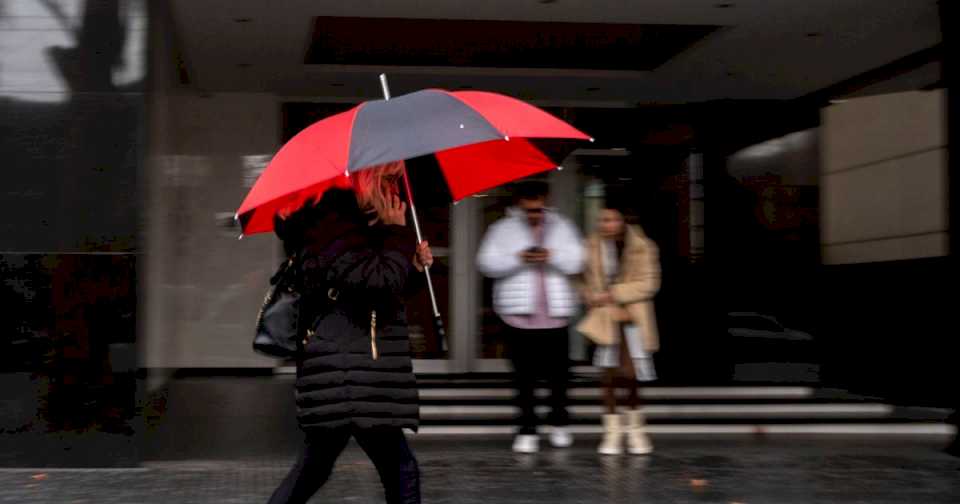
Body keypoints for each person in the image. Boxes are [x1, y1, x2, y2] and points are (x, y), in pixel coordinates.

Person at [267, 161, 433, 504]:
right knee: (401, 473)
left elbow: (380, 288)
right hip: (355, 368)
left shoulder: (346, 225)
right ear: (366, 177)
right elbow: (377, 282)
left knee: (314, 469)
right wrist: (397, 233)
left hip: (345, 365)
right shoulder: (336, 225)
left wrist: (413, 267)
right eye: (388, 178)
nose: (395, 187)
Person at [477, 180, 584, 453]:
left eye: (538, 208)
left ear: (546, 201)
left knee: (559, 376)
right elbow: (486, 263)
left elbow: (579, 260)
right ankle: (527, 429)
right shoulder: (501, 229)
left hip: (556, 314)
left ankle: (559, 423)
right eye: (529, 209)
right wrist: (519, 257)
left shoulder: (563, 227)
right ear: (519, 205)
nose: (534, 214)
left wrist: (552, 255)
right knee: (523, 377)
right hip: (517, 315)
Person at [579, 205, 661, 455]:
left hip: (632, 316)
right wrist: (590, 296)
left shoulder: (642, 246)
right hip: (604, 316)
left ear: (624, 221)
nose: (607, 224)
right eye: (603, 219)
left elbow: (649, 284)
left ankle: (636, 430)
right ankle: (612, 432)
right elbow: (578, 279)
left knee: (631, 374)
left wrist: (613, 293)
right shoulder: (590, 246)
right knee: (608, 375)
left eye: (613, 219)